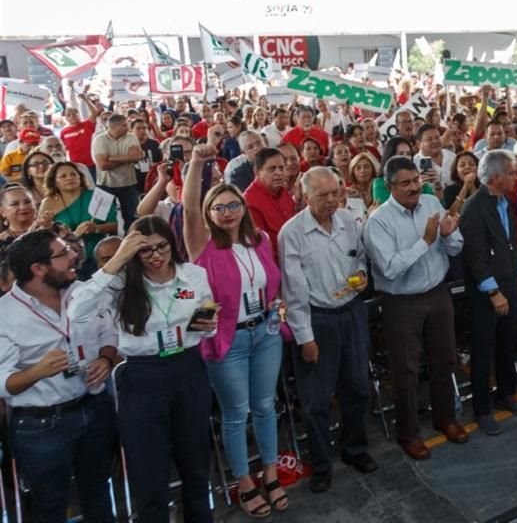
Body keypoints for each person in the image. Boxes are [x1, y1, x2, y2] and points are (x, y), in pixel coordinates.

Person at [69, 218, 218, 523]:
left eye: (161, 246)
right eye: (145, 250)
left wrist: (209, 326)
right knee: (148, 466)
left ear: (171, 243)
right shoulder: (123, 283)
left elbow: (204, 312)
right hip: (143, 375)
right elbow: (76, 312)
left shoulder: (192, 276)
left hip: (188, 367)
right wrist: (119, 259)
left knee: (195, 458)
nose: (155, 256)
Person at [182, 142, 288, 519]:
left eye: (233, 205)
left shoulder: (258, 240)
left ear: (243, 207)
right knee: (235, 413)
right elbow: (190, 206)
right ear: (209, 214)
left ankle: (271, 472)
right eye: (219, 207)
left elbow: (269, 284)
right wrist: (196, 162)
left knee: (265, 407)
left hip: (266, 334)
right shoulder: (204, 246)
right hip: (230, 341)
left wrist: (276, 305)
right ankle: (243, 481)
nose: (227, 212)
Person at [0, 230, 117, 523]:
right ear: (38, 269)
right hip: (42, 424)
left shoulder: (80, 293)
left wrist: (105, 357)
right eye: (63, 254)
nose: (74, 256)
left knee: (100, 492)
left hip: (93, 407)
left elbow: (108, 332)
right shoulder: (5, 315)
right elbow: (4, 382)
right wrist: (37, 371)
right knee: (50, 504)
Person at [279, 167, 378, 493]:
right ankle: (321, 464)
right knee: (316, 400)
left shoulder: (349, 221)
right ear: (305, 197)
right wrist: (305, 338)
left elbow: (360, 257)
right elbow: (293, 292)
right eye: (323, 195)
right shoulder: (291, 233)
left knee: (358, 388)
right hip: (317, 320)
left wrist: (362, 274)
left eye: (336, 192)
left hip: (351, 313)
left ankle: (355, 450)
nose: (332, 200)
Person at [363, 156, 467, 460]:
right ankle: (408, 434)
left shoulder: (432, 203)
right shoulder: (378, 222)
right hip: (401, 302)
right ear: (389, 186)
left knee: (444, 359)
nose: (413, 188)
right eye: (405, 183)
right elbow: (391, 268)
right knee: (406, 370)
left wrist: (447, 237)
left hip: (437, 294)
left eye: (415, 181)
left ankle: (445, 418)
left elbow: (456, 245)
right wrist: (425, 241)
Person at [460, 150, 517, 435]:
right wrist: (493, 292)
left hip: (509, 283)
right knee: (483, 349)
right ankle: (482, 409)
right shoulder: (474, 208)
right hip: (486, 293)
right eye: (511, 173)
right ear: (495, 177)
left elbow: (509, 242)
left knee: (507, 343)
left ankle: (506, 394)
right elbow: (475, 257)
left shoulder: (504, 202)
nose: (516, 178)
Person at [39, 162, 118, 278]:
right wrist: (73, 235)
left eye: (73, 174)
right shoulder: (48, 203)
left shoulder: (97, 197)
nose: (69, 178)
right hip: (67, 259)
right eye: (63, 176)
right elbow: (42, 236)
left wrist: (95, 228)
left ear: (80, 178)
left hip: (97, 256)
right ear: (54, 181)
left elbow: (115, 225)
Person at [244, 147, 296, 258]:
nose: (278, 173)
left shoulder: (283, 191)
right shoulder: (249, 202)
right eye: (272, 169)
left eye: (281, 168)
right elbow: (262, 248)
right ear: (257, 172)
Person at [92, 114, 141, 231]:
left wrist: (112, 158)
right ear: (114, 127)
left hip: (128, 184)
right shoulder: (99, 139)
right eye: (124, 125)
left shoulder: (131, 137)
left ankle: (131, 241)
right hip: (105, 185)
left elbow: (135, 156)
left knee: (132, 217)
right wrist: (127, 158)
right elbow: (103, 165)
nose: (127, 127)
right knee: (102, 217)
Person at [371, 137, 434, 205]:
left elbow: (435, 205)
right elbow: (387, 209)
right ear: (390, 156)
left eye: (408, 154)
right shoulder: (379, 183)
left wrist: (437, 186)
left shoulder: (418, 179)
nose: (405, 157)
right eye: (401, 154)